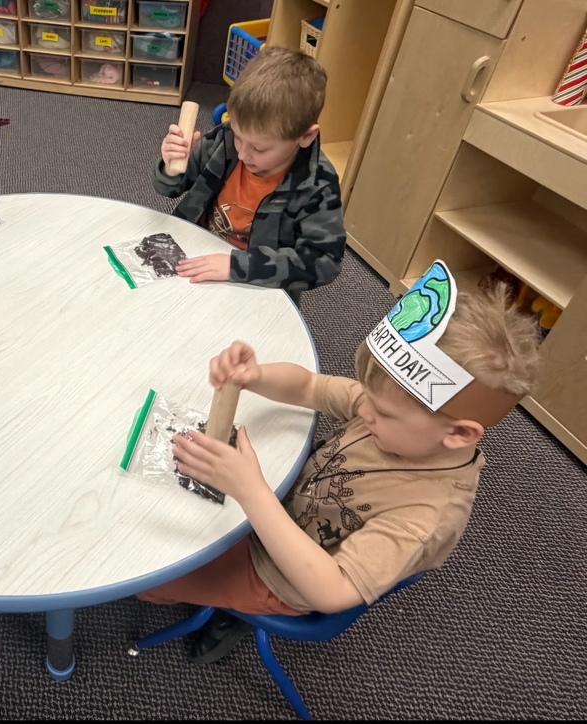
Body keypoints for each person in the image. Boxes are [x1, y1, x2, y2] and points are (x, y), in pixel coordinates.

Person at [139, 270, 542, 664]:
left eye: (380, 411)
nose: (361, 409)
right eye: (365, 395)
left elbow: (331, 591)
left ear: (458, 434)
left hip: (281, 576)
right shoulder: (392, 409)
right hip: (279, 506)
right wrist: (255, 376)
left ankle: (235, 614)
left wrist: (250, 491)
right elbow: (309, 387)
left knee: (151, 581)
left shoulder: (426, 515)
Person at [153, 46, 345, 302]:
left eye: (259, 148)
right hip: (198, 254)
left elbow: (324, 262)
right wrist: (170, 164)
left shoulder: (317, 184)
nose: (243, 154)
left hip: (258, 281)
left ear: (306, 136)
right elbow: (170, 188)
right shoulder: (224, 139)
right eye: (239, 137)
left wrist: (237, 266)